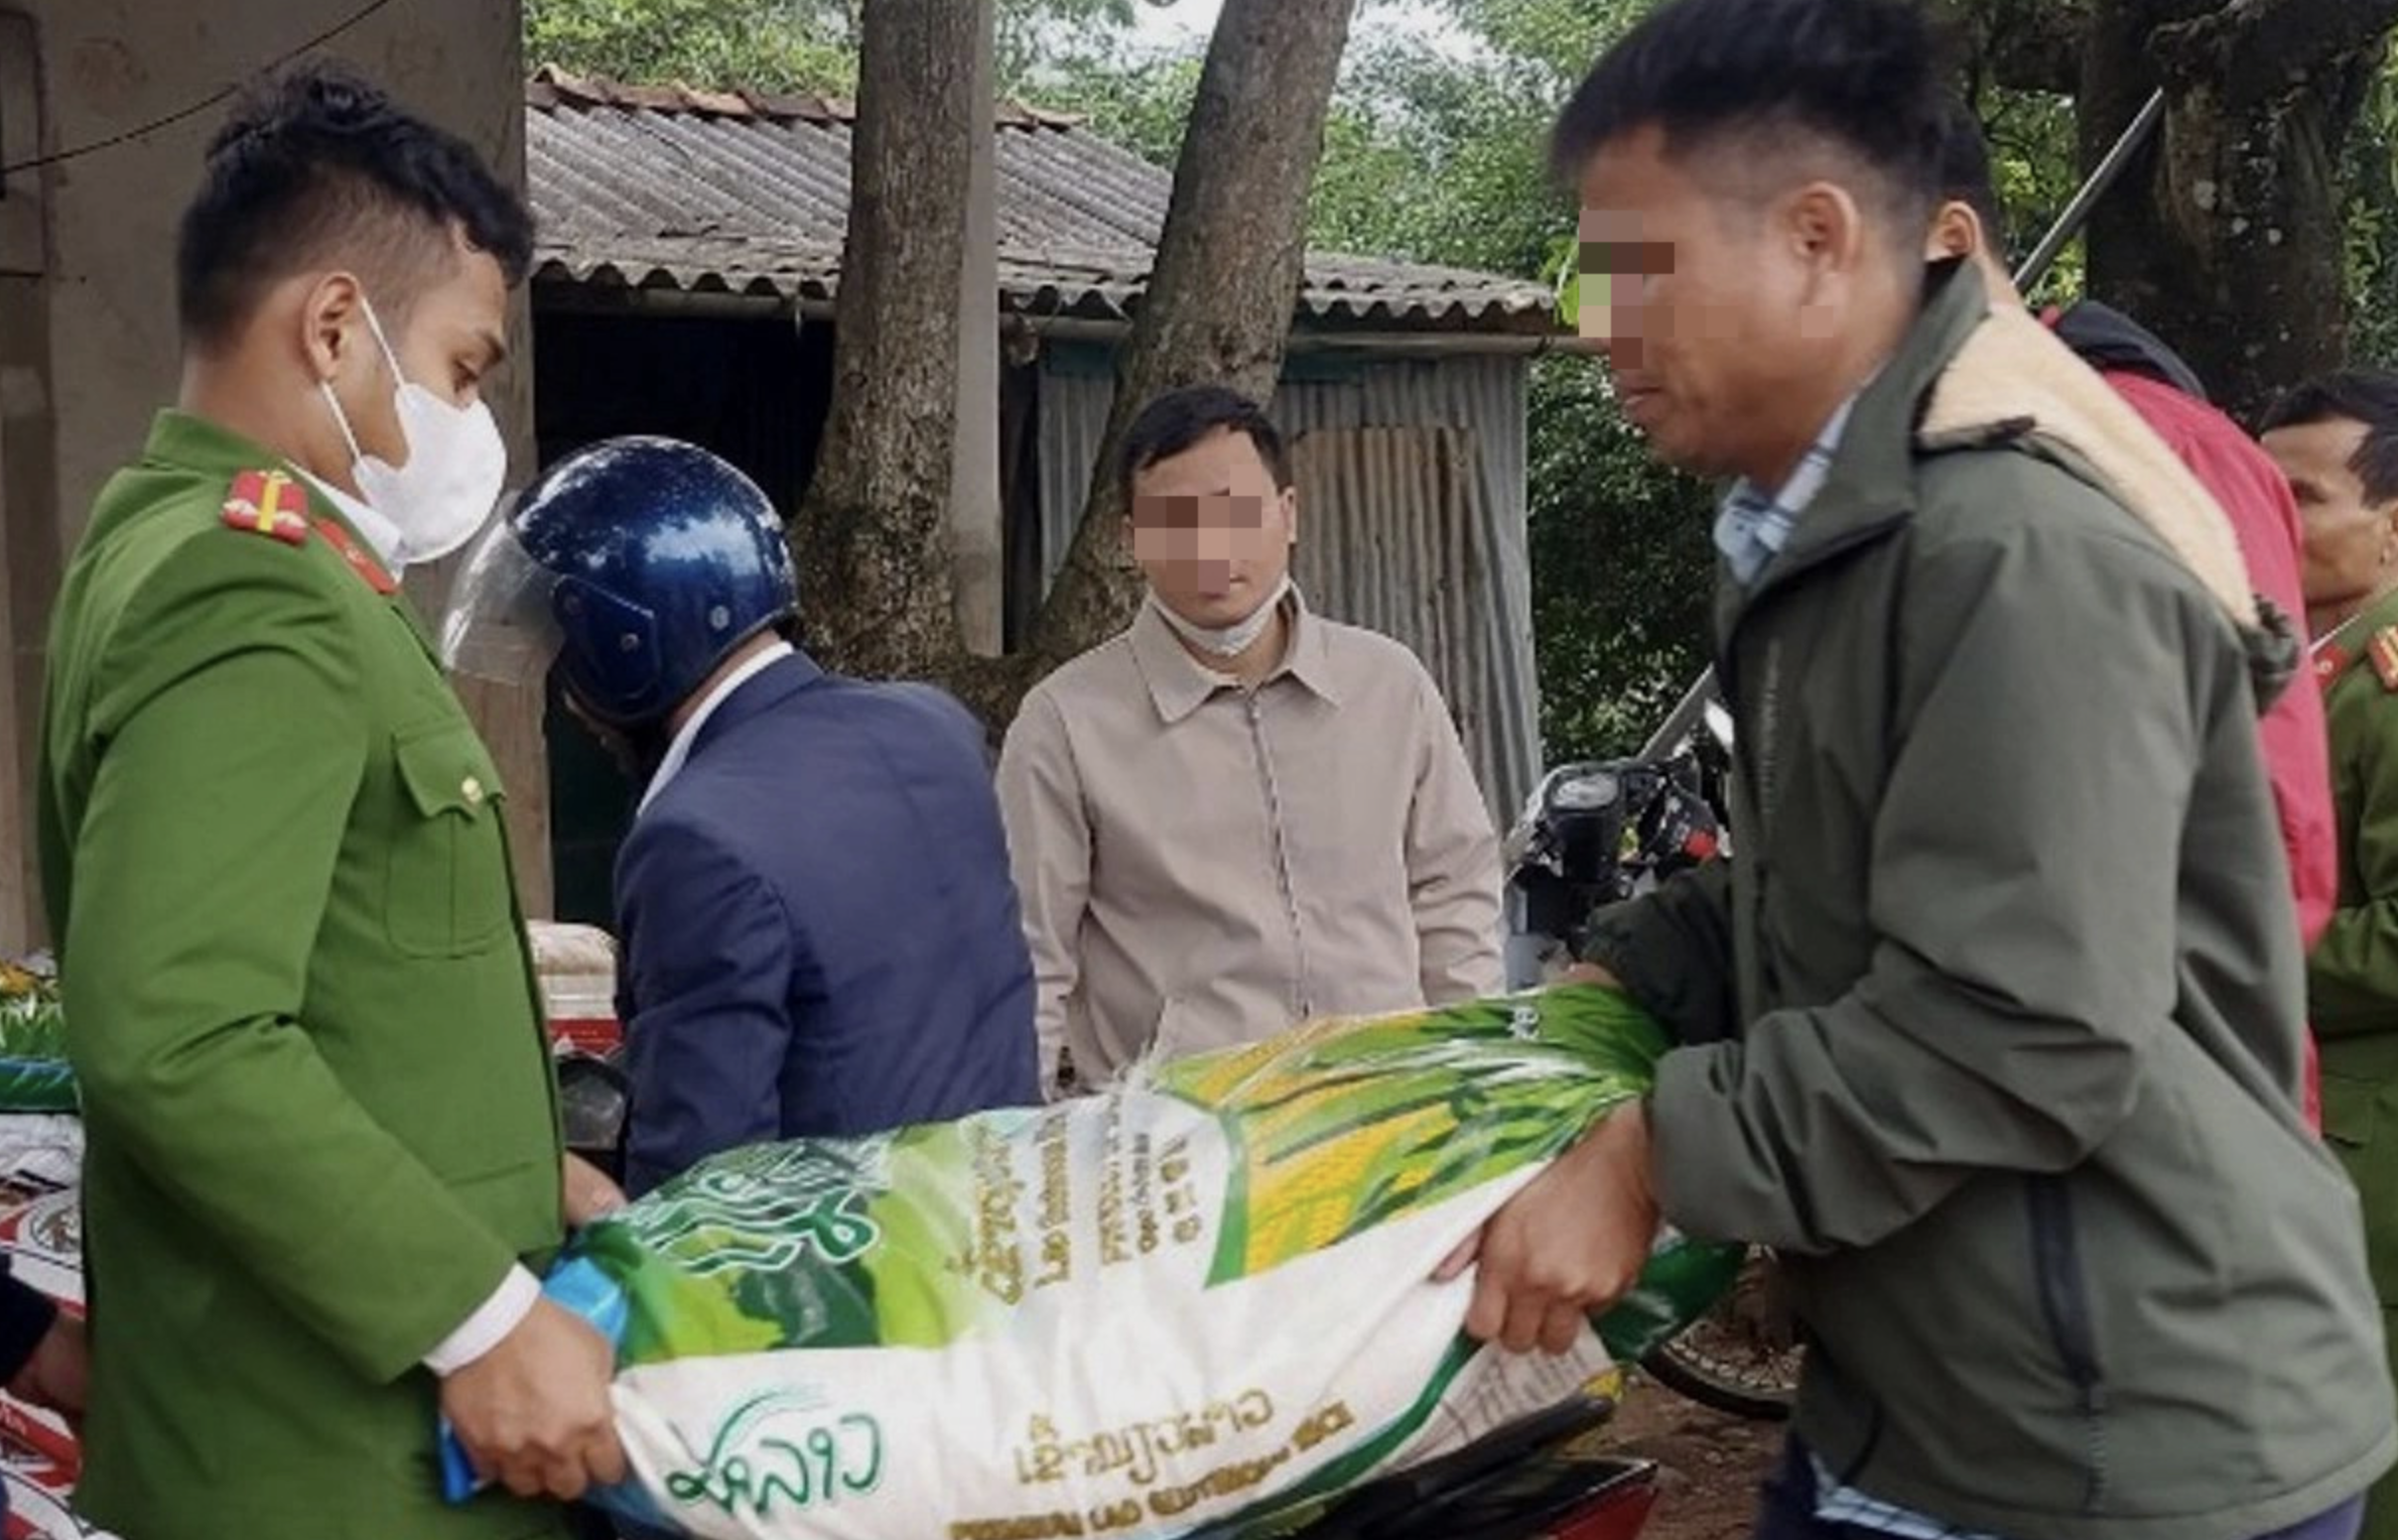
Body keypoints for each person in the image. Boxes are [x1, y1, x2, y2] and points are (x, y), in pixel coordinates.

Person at [1445, 2, 2394, 1538]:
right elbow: (1855, 867)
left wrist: (1653, 1157)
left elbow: (2018, 1015)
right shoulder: (1843, 540)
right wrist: (1628, 974)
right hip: (1938, 1403)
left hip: (2114, 1449)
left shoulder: (2012, 550)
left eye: (1632, 267)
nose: (1592, 323)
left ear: (1818, 238)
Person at [36, 64, 625, 1540]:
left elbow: (341, 978)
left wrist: (516, 1166)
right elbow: (182, 1029)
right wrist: (477, 1314)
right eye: (468, 367)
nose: (474, 419)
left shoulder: (173, 549)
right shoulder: (252, 588)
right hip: (326, 1468)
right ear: (335, 326)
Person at [443, 437, 1040, 1197]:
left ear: (622, 643)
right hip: (997, 1236)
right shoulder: (933, 726)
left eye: (565, 654)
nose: (566, 698)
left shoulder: (694, 838)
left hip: (845, 1291)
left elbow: (705, 1181)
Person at [1930, 100, 2338, 1131]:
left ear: (1942, 241)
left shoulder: (2142, 449)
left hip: (2136, 1172)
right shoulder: (1906, 474)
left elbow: (2253, 863)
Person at [996, 386, 1503, 1096]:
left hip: (1384, 1109)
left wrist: (1470, 1077)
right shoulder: (1068, 722)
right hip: (1181, 1141)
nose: (1211, 548)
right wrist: (1027, 1136)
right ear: (1129, 539)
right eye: (1174, 521)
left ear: (1288, 515)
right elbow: (1030, 954)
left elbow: (1455, 894)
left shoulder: (1388, 685)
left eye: (1237, 512)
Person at [2262, 369, 2398, 1540]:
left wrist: (2222, 957)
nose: (2270, 520)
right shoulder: (2303, 669)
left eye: (2303, 495)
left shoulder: (2388, 686)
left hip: (2371, 1158)